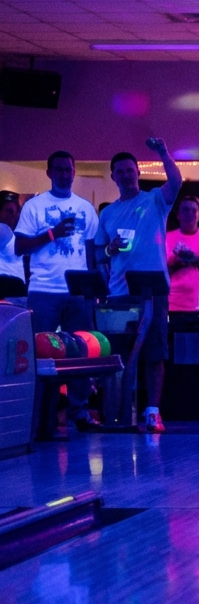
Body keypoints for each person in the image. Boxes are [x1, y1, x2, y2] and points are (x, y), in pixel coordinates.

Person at [94, 139, 183, 433]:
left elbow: (176, 181)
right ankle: (120, 412)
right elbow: (98, 253)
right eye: (120, 172)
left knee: (155, 351)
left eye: (130, 170)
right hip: (120, 293)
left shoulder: (155, 200)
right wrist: (111, 250)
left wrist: (162, 152)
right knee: (119, 353)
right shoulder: (107, 213)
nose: (126, 175)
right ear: (113, 177)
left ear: (137, 172)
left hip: (154, 291)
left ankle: (152, 412)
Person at [17, 150, 101, 431]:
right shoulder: (34, 207)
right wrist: (52, 233)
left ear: (74, 172)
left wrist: (92, 287)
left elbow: (91, 251)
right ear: (49, 173)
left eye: (69, 169)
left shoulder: (86, 208)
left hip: (76, 291)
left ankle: (79, 413)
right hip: (43, 290)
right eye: (59, 169)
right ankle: (40, 415)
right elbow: (19, 247)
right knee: (41, 353)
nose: (65, 174)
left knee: (80, 351)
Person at [167, 194, 199, 312]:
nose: (189, 213)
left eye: (194, 210)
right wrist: (177, 263)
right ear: (178, 215)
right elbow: (160, 271)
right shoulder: (167, 238)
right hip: (173, 302)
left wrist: (196, 260)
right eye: (185, 210)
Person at [0, 191, 25, 290]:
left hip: (13, 294)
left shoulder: (8, 232)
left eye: (17, 212)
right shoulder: (3, 229)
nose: (14, 216)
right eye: (9, 211)